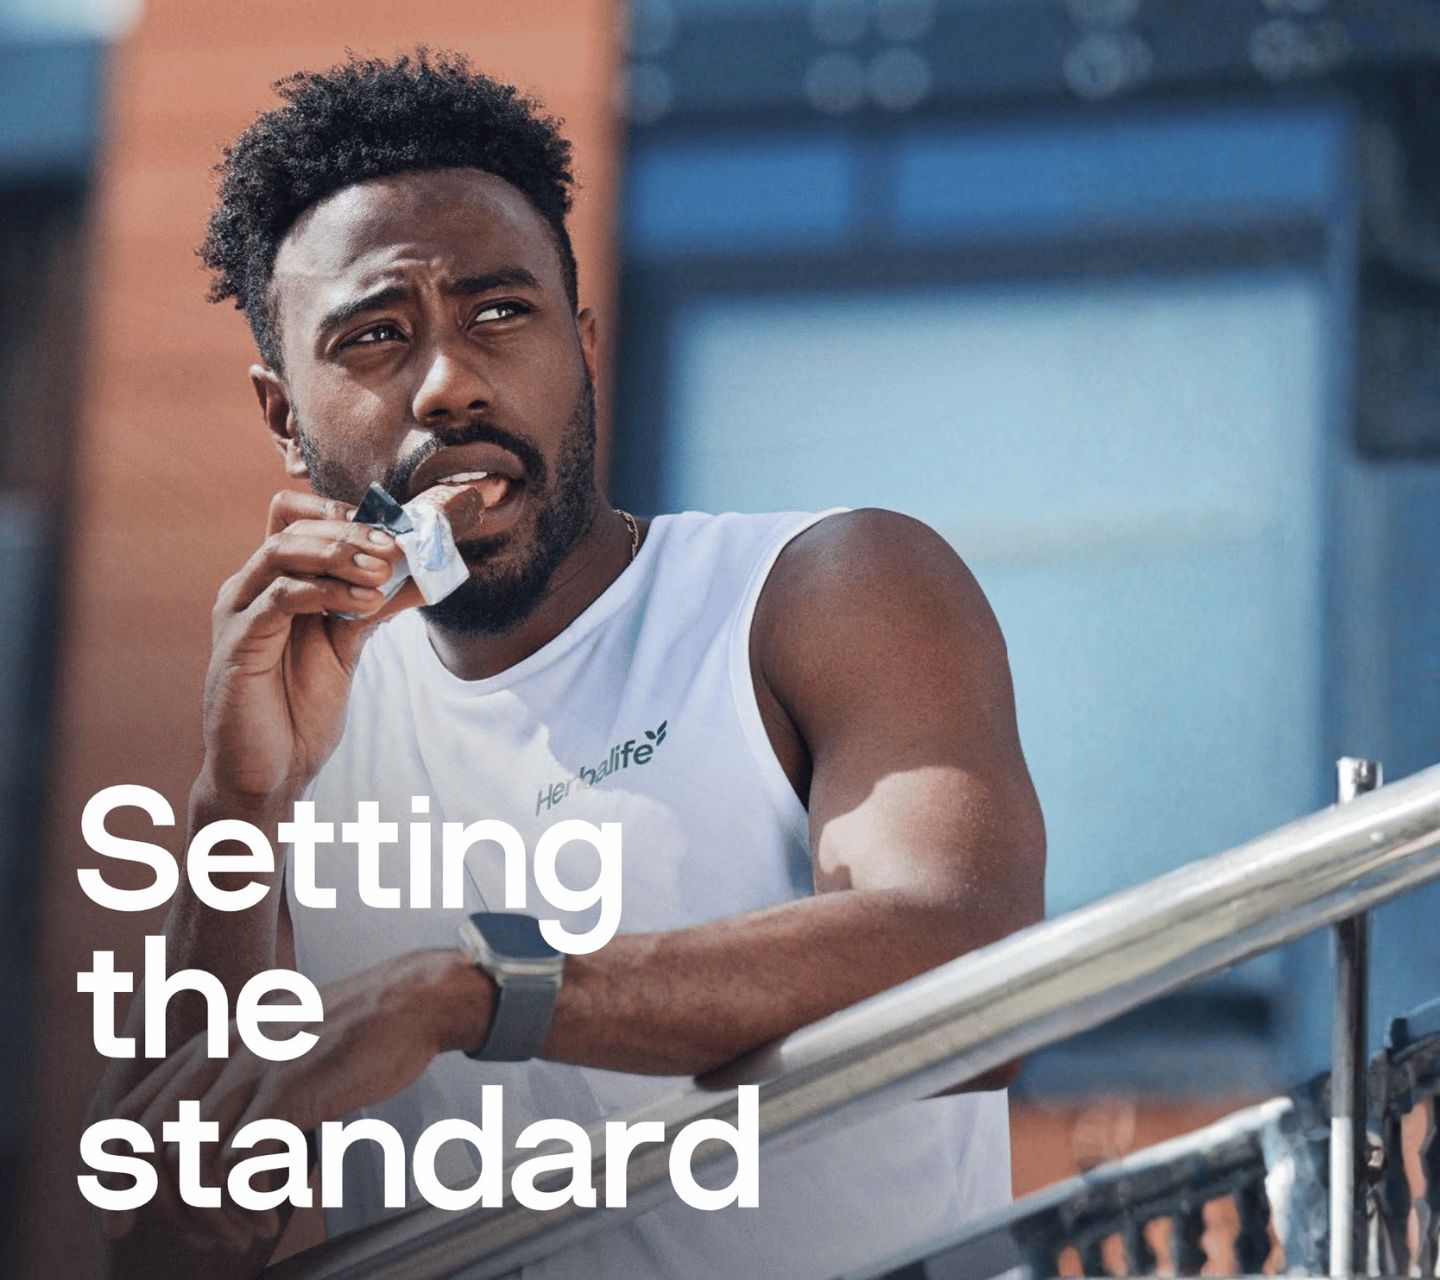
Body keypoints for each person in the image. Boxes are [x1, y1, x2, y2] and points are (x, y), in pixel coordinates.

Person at [90, 51, 1045, 1280]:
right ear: (285, 415)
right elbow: (172, 1247)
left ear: (583, 343)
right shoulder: (296, 748)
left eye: (501, 311)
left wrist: (471, 992)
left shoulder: (818, 591)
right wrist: (238, 804)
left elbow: (977, 982)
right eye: (376, 337)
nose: (452, 383)